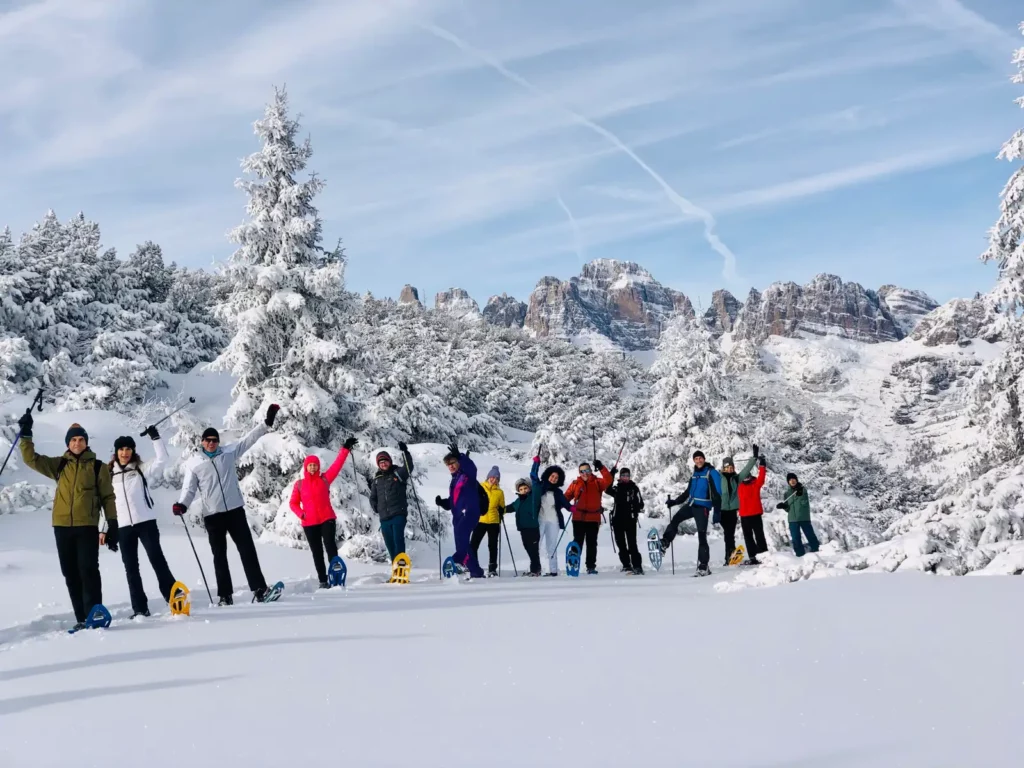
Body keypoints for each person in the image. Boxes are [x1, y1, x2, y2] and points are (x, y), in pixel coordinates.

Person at [17, 415, 118, 630]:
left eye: (81, 440)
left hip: (87, 526)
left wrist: (112, 523)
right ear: (68, 443)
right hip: (62, 526)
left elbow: (108, 497)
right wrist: (26, 435)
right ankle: (82, 618)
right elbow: (31, 459)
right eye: (73, 440)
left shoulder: (98, 467)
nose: (77, 443)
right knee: (70, 572)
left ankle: (95, 614)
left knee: (88, 569)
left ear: (86, 442)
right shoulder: (59, 464)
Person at [173, 404, 280, 605]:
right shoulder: (194, 463)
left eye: (214, 440)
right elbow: (189, 489)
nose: (211, 443)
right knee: (219, 556)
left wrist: (266, 423)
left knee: (247, 549)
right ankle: (225, 596)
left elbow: (248, 440)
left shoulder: (228, 453)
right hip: (213, 515)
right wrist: (182, 505)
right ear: (202, 442)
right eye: (208, 440)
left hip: (234, 511)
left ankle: (260, 589)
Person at [108, 427, 177, 618]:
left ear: (133, 451)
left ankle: (173, 599)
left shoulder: (141, 469)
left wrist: (155, 438)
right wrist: (106, 531)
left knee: (157, 561)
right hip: (123, 528)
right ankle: (140, 608)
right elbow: (103, 505)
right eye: (121, 449)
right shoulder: (108, 475)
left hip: (146, 523)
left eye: (128, 449)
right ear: (116, 452)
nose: (124, 453)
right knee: (131, 569)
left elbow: (163, 459)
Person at [290, 436, 358, 588]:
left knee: (330, 546)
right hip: (309, 523)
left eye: (315, 465)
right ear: (306, 467)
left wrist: (345, 449)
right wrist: (301, 514)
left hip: (327, 519)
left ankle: (336, 577)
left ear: (318, 467)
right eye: (310, 465)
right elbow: (293, 503)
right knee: (317, 552)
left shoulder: (325, 479)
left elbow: (337, 465)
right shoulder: (299, 484)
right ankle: (323, 581)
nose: (313, 467)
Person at [660, 450, 722, 577]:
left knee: (702, 535)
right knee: (676, 519)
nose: (698, 460)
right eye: (696, 458)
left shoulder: (711, 472)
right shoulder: (694, 474)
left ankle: (704, 566)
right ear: (693, 460)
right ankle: (665, 542)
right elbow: (687, 492)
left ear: (704, 459)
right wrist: (675, 502)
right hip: (691, 505)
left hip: (703, 507)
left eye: (700, 458)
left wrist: (717, 511)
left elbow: (718, 494)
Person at [435, 442, 484, 578]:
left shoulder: (467, 476)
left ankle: (457, 560)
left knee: (462, 541)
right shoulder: (455, 480)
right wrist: (443, 502)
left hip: (469, 512)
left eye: (453, 462)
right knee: (461, 543)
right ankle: (475, 571)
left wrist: (461, 457)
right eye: (448, 464)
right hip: (457, 515)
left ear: (459, 462)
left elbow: (472, 468)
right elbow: (455, 500)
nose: (451, 466)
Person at [369, 441, 414, 566]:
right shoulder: (377, 479)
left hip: (398, 513)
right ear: (378, 464)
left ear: (390, 461)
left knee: (398, 540)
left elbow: (408, 467)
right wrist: (375, 507)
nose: (383, 464)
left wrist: (405, 453)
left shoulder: (398, 473)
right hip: (384, 517)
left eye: (385, 461)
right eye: (381, 462)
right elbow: (373, 497)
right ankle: (396, 570)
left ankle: (401, 567)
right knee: (390, 544)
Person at [565, 459, 613, 574]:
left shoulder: (597, 482)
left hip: (593, 518)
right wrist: (566, 507)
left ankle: (591, 566)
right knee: (578, 541)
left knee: (592, 543)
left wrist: (601, 467)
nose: (585, 473)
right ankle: (573, 563)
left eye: (587, 470)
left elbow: (609, 480)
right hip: (578, 518)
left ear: (591, 471)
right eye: (582, 471)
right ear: (579, 473)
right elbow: (565, 497)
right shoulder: (575, 484)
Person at [529, 449, 572, 576]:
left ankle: (553, 571)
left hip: (554, 522)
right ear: (548, 475)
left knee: (552, 547)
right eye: (552, 476)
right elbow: (533, 475)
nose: (554, 478)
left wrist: (573, 508)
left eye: (556, 477)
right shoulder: (539, 486)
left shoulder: (558, 492)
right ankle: (535, 569)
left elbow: (566, 504)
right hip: (540, 520)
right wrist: (536, 464)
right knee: (536, 545)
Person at [718, 446, 759, 565]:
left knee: (729, 533)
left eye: (731, 467)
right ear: (723, 468)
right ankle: (730, 554)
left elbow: (746, 470)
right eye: (727, 467)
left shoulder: (736, 478)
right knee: (728, 533)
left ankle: (730, 556)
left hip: (732, 511)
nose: (730, 469)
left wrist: (754, 458)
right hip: (722, 510)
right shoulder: (719, 478)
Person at [605, 467, 644, 574]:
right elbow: (607, 489)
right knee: (621, 544)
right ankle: (626, 565)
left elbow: (641, 503)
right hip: (617, 520)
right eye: (623, 476)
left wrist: (634, 507)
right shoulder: (617, 488)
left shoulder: (634, 488)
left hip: (630, 520)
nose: (625, 478)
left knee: (632, 544)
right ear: (620, 477)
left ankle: (637, 566)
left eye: (627, 476)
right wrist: (611, 475)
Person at [471, 466, 504, 577]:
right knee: (474, 544)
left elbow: (502, 508)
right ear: (488, 477)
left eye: (496, 478)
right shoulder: (480, 487)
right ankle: (473, 565)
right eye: (492, 477)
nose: (493, 479)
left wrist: (501, 510)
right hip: (480, 520)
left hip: (494, 522)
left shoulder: (499, 492)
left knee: (493, 545)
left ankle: (492, 568)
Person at [777, 472, 819, 557]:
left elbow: (802, 495)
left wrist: (799, 490)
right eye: (790, 480)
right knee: (795, 538)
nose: (792, 481)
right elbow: (788, 509)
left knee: (810, 535)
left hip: (804, 518)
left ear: (796, 480)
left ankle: (817, 551)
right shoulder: (787, 494)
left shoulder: (803, 489)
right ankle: (799, 555)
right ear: (788, 482)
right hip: (793, 519)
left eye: (794, 479)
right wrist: (784, 506)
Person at [507, 475, 542, 576]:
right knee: (527, 547)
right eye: (521, 489)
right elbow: (511, 507)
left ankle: (535, 570)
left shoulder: (533, 497)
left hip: (533, 528)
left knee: (533, 550)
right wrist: (502, 509)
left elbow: (537, 488)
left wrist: (534, 474)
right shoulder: (519, 500)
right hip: (523, 529)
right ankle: (535, 569)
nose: (523, 490)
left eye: (525, 488)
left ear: (529, 488)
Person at [738, 453, 769, 565]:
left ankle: (764, 555)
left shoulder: (755, 483)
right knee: (748, 537)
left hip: (755, 514)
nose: (746, 477)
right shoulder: (739, 485)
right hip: (744, 515)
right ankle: (752, 557)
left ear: (750, 476)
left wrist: (762, 464)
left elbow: (761, 477)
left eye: (748, 475)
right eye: (744, 476)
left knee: (759, 535)